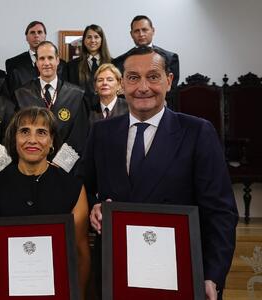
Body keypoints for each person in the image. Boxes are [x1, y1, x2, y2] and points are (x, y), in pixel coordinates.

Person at [84, 46, 238, 300]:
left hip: (179, 273)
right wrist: (94, 207)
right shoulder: (102, 133)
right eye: (133, 77)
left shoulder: (198, 132)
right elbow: (84, 187)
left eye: (153, 76)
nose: (143, 87)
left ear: (169, 81)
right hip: (116, 272)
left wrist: (213, 276)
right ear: (122, 83)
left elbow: (220, 212)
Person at [0, 107, 90, 299]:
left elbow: (80, 253)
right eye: (24, 131)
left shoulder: (73, 187)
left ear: (52, 140)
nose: (32, 140)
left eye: (42, 132)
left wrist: (77, 296)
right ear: (14, 138)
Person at [14, 41, 88, 165]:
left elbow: (79, 135)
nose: (46, 63)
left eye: (50, 58)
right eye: (42, 58)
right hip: (32, 164)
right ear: (36, 63)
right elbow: (19, 132)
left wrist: (61, 163)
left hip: (66, 168)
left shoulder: (76, 94)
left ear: (57, 60)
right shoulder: (22, 94)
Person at [112, 15, 180, 108]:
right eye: (137, 31)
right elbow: (118, 91)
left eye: (144, 30)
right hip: (128, 110)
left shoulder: (171, 58)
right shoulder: (118, 61)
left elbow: (171, 90)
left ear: (153, 31)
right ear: (131, 34)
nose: (141, 34)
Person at [5, 21, 65, 97]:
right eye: (32, 32)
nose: (36, 35)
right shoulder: (13, 63)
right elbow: (11, 93)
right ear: (26, 37)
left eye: (40, 32)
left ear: (45, 36)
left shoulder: (62, 64)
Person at [65, 24, 112, 111]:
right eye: (89, 37)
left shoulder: (113, 64)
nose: (92, 40)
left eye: (96, 37)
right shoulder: (71, 66)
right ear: (84, 40)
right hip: (80, 112)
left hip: (107, 112)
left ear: (102, 40)